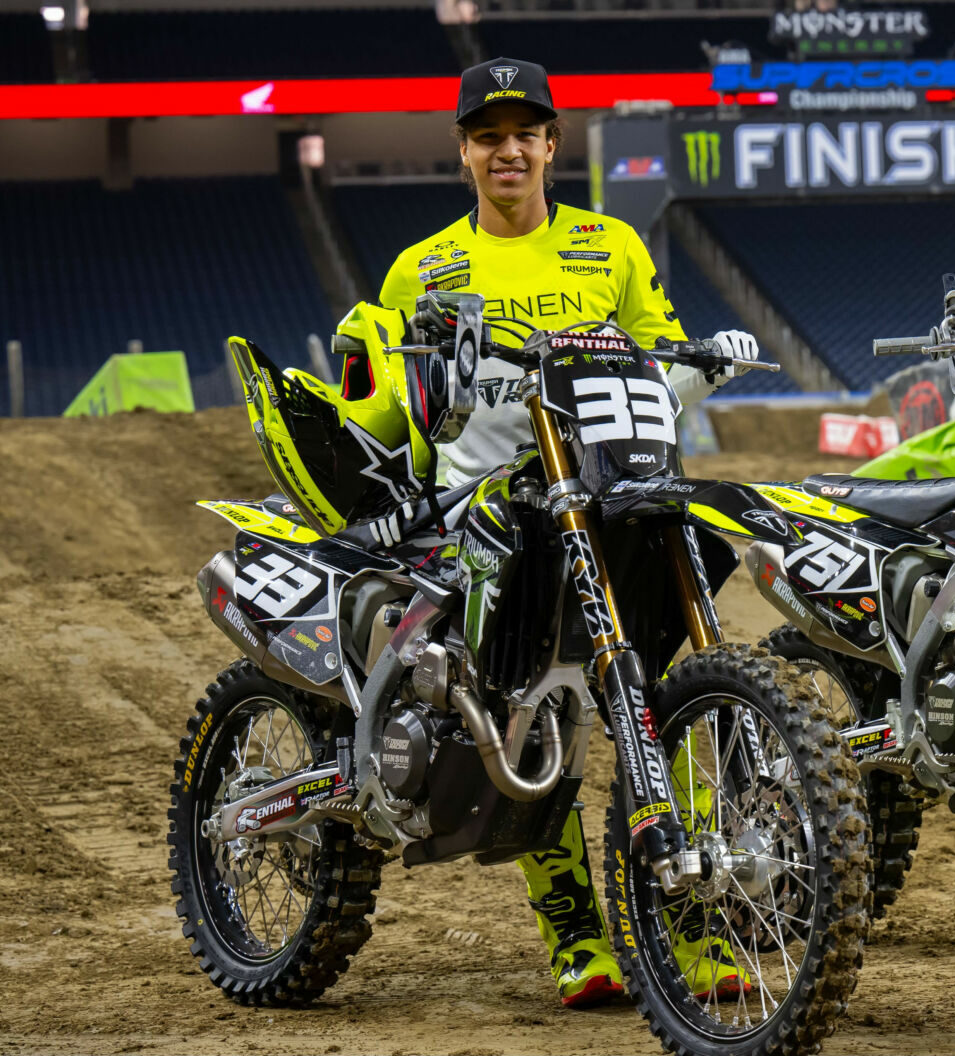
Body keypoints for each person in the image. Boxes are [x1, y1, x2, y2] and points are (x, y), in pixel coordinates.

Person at [376, 57, 761, 1006]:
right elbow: (393, 409)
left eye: (525, 133)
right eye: (487, 134)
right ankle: (576, 935)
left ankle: (699, 922)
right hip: (491, 512)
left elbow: (659, 366)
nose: (508, 149)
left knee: (666, 703)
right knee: (529, 712)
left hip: (612, 499)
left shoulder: (613, 247)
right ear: (463, 150)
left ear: (553, 144)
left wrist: (705, 368)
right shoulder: (420, 268)